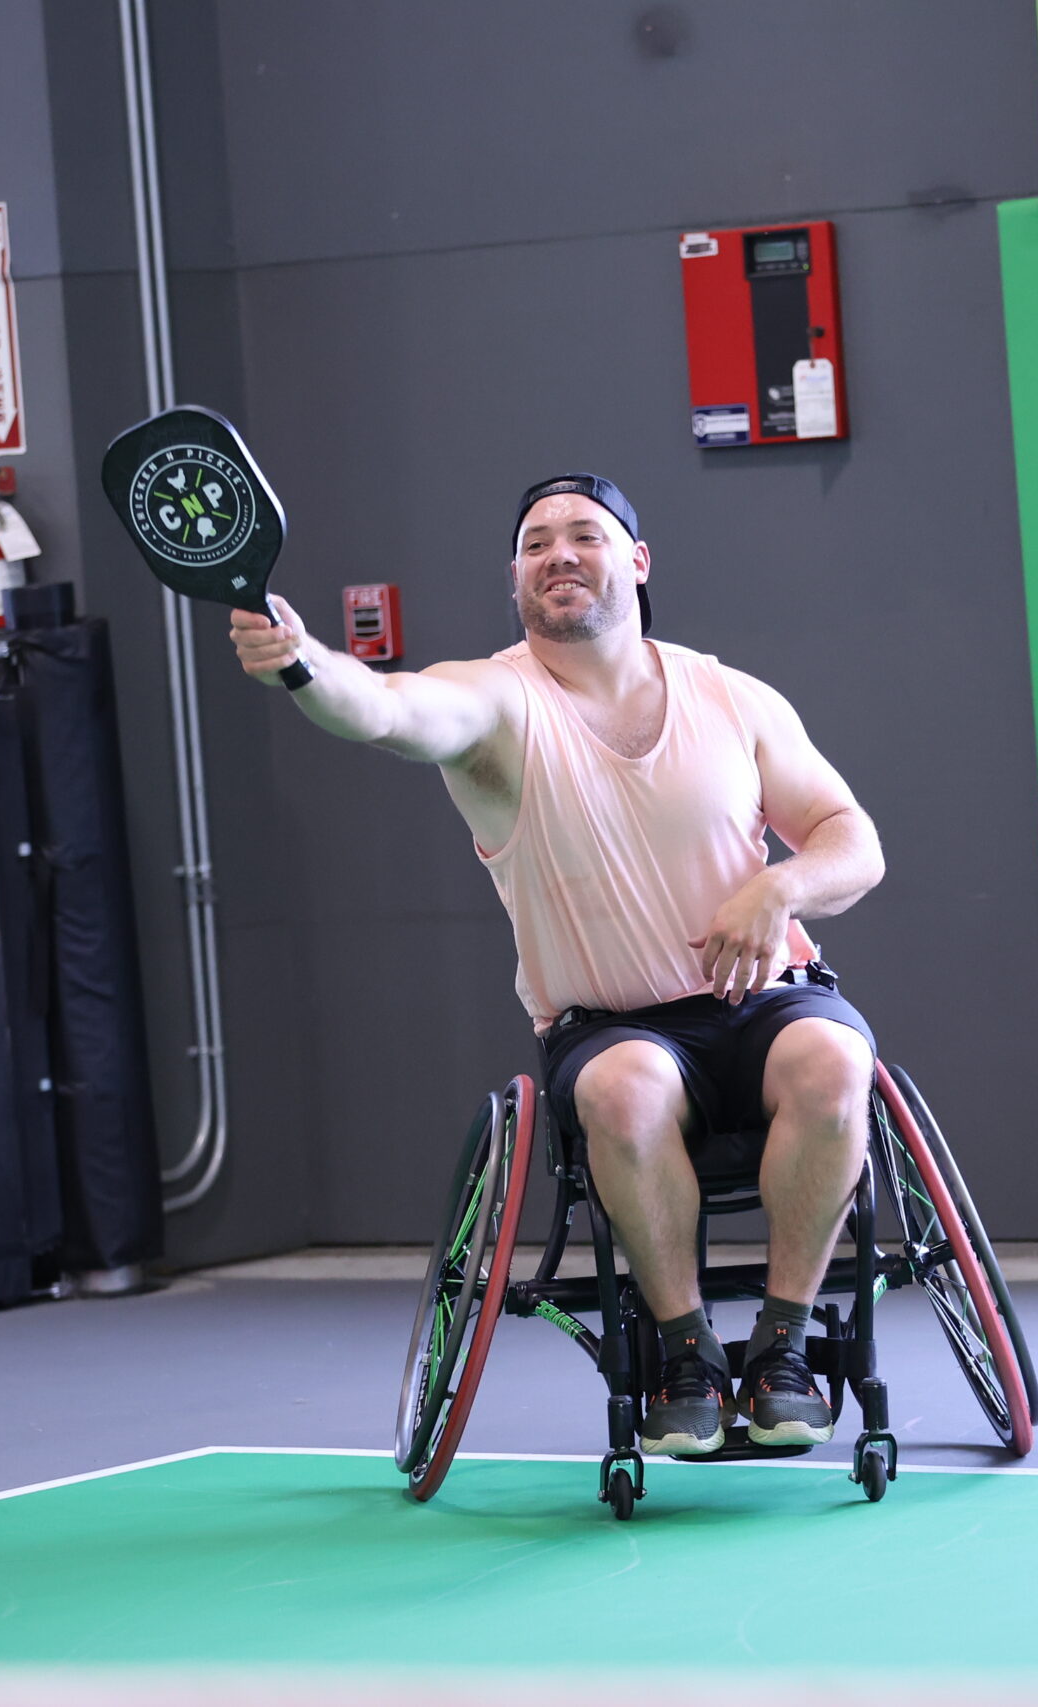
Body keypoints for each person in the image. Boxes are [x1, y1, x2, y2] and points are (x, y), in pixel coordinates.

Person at [227, 473, 885, 1458]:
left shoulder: (731, 697)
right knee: (624, 1092)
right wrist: (307, 663)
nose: (561, 555)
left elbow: (850, 839)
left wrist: (778, 889)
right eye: (537, 544)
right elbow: (387, 711)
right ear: (516, 577)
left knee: (834, 1066)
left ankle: (782, 1350)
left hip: (765, 1007)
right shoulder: (492, 701)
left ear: (637, 560)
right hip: (613, 1026)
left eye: (584, 535)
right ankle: (685, 1355)